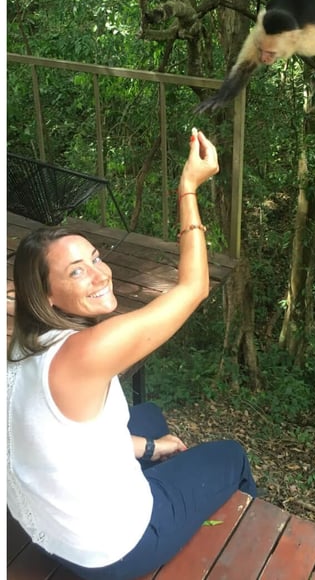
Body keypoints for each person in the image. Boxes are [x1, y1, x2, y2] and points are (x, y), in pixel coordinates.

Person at [7, 128, 258, 580]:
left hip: (42, 526)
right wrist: (188, 187)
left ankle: (152, 452)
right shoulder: (86, 353)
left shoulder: (18, 338)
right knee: (232, 455)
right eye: (76, 272)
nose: (101, 275)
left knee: (151, 416)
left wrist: (149, 447)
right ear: (45, 294)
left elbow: (73, 441)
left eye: (96, 257)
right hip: (111, 550)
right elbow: (193, 288)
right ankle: (244, 551)